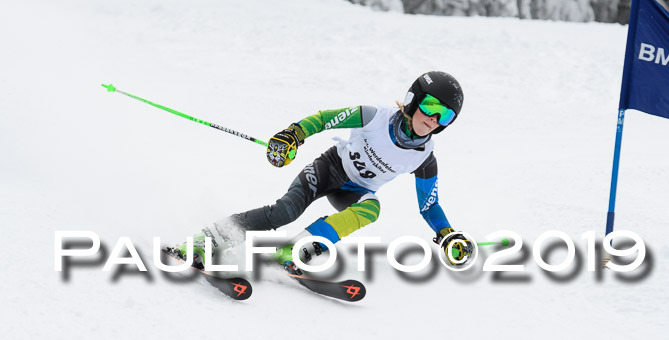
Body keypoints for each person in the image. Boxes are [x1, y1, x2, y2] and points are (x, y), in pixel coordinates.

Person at [175, 71, 473, 273]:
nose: (434, 119)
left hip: (355, 192)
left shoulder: (424, 158)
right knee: (284, 212)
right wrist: (294, 134)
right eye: (431, 106)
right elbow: (325, 119)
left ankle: (295, 249)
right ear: (413, 100)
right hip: (328, 168)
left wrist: (446, 234)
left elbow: (429, 205)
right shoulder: (375, 117)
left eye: (445, 115)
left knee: (372, 209)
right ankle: (208, 239)